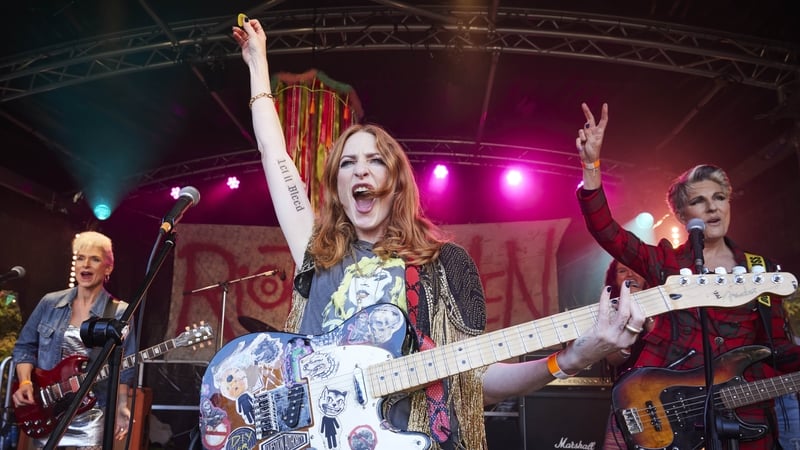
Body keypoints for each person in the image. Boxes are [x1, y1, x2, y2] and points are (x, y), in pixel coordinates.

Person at [231, 18, 646, 450]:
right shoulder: (318, 251)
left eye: (374, 160)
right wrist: (258, 65)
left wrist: (573, 357)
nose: (360, 170)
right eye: (347, 163)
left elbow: (478, 380)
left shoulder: (446, 264)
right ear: (337, 183)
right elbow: (273, 155)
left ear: (396, 181)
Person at [575, 102, 800, 449]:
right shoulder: (664, 261)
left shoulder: (761, 270)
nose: (713, 207)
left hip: (747, 415)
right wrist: (591, 167)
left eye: (720, 197)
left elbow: (778, 349)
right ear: (681, 212)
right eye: (699, 201)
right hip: (672, 410)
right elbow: (608, 232)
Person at [11, 231, 137, 449]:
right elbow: (24, 347)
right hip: (48, 407)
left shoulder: (119, 312)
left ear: (108, 268)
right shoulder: (50, 303)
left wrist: (122, 407)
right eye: (80, 258)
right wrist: (25, 382)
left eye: (94, 259)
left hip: (90, 414)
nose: (85, 264)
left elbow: (125, 367)